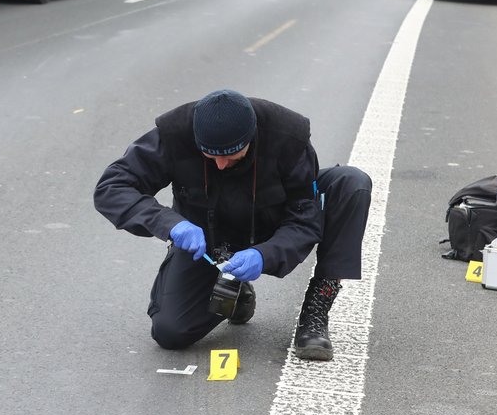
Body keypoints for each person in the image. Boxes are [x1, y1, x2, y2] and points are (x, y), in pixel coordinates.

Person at [94, 89, 372, 361]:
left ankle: (316, 308)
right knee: (170, 332)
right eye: (210, 155)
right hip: (209, 236)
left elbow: (304, 219)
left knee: (351, 183)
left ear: (252, 135)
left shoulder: (288, 137)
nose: (221, 165)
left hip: (272, 219)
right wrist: (170, 224)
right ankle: (232, 287)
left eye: (232, 154)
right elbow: (112, 187)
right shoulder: (174, 134)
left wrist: (265, 254)